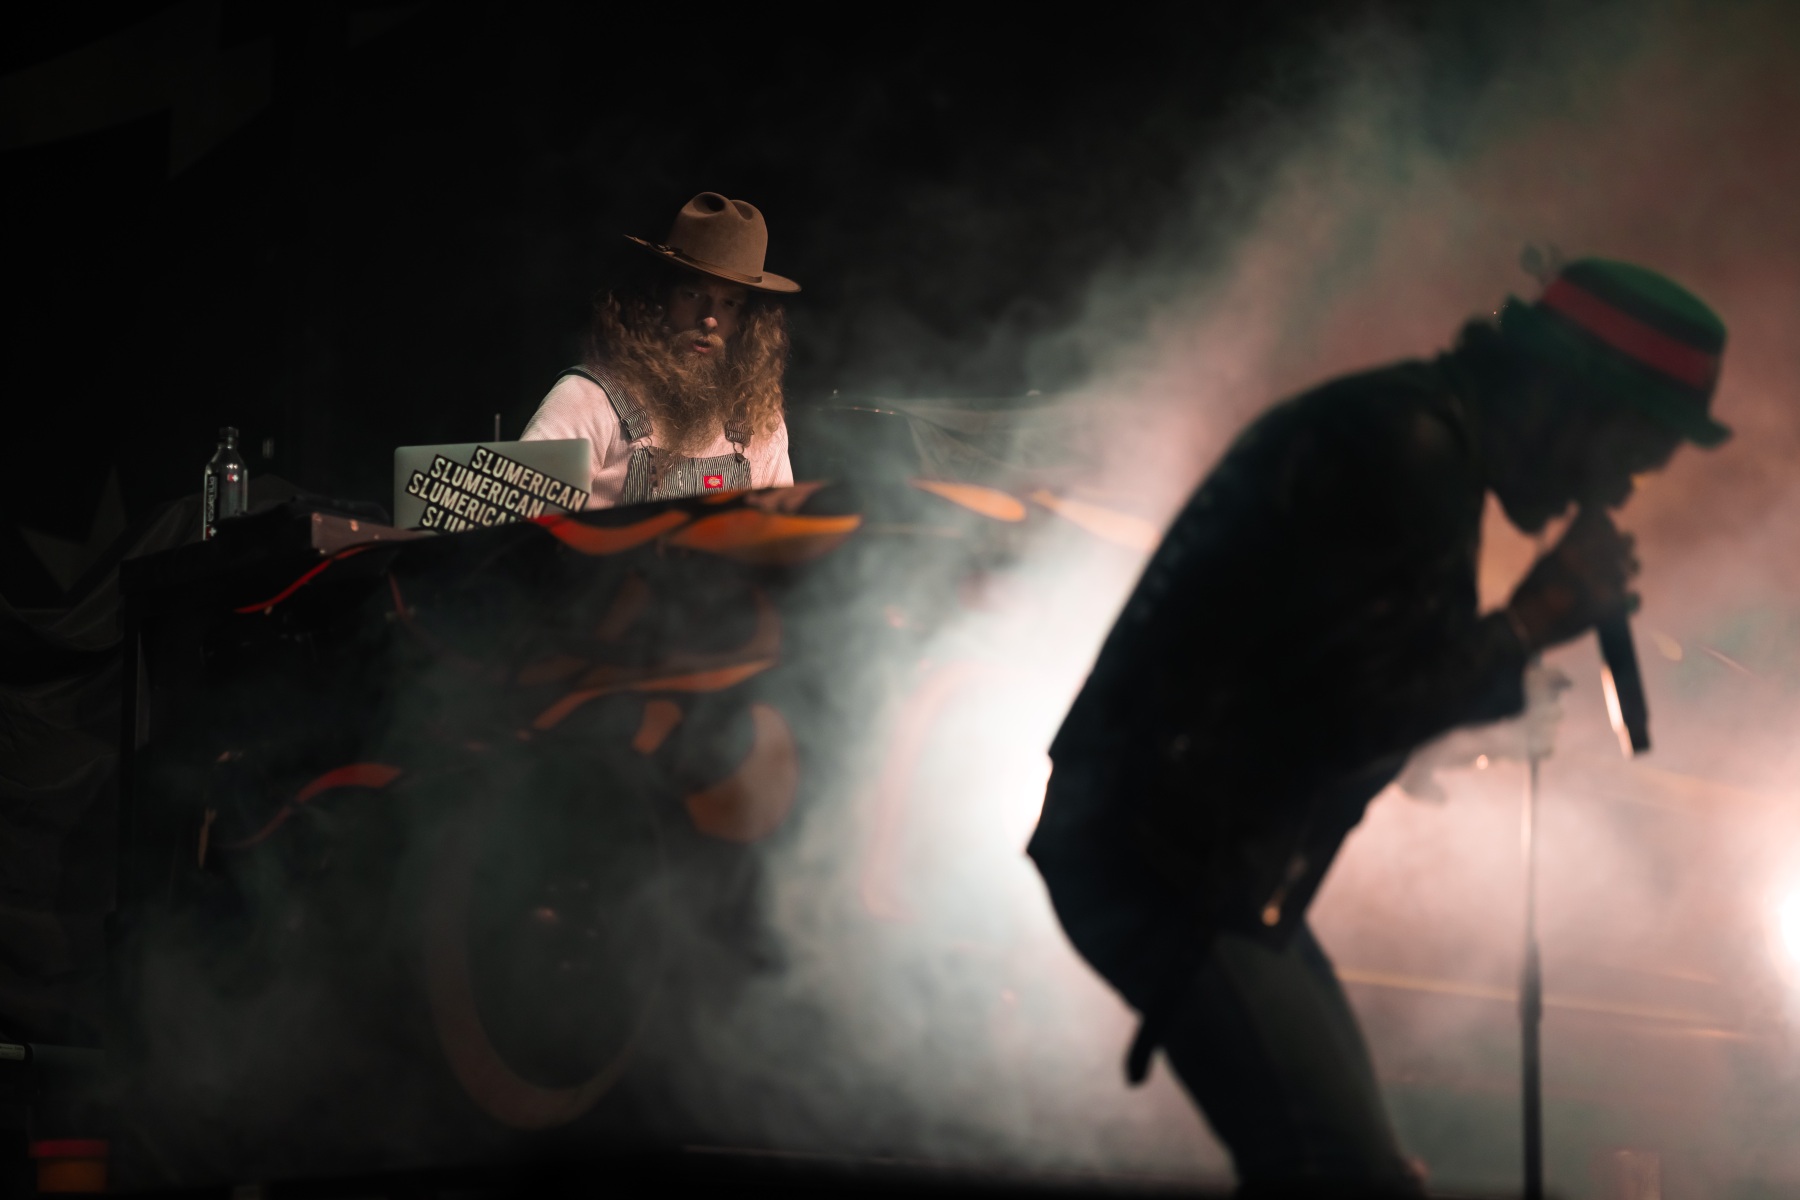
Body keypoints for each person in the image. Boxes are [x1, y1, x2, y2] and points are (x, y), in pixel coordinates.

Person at [1028, 258, 1730, 1195]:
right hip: (1164, 853)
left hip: (1196, 850)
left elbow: (1331, 684)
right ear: (1571, 403)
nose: (1615, 492)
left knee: (1363, 1175)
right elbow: (1360, 711)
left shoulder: (1416, 435)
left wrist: (1499, 684)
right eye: (1628, 458)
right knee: (1336, 1170)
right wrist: (1528, 622)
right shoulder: (1407, 450)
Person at [522, 192, 799, 506]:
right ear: (657, 298)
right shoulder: (587, 399)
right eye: (692, 295)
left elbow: (780, 531)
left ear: (746, 321)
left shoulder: (759, 417)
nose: (709, 318)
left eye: (729, 303)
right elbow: (517, 525)